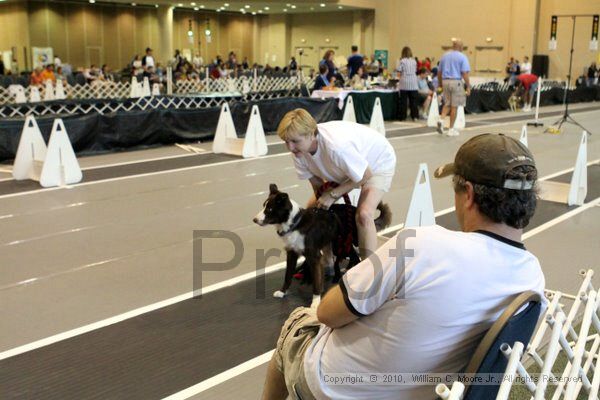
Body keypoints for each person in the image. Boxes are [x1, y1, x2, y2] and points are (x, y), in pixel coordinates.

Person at [262, 133, 545, 400]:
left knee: (298, 321)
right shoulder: (533, 279)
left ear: (468, 194)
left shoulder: (422, 244)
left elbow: (328, 314)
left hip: (335, 388)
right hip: (432, 393)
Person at [275, 108, 396, 260]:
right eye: (286, 141)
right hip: (346, 168)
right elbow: (318, 186)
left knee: (364, 214)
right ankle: (328, 260)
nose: (290, 148)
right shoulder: (299, 152)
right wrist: (322, 208)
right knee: (314, 211)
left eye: (294, 141)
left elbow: (365, 175)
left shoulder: (337, 147)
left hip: (376, 163)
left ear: (311, 134)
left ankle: (368, 269)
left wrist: (333, 195)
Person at [437, 39, 471, 136]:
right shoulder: (462, 57)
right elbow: (464, 73)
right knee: (454, 106)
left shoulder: (445, 56)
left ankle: (441, 119)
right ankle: (451, 129)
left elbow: (439, 72)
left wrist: (440, 84)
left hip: (445, 81)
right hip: (456, 81)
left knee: (447, 103)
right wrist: (468, 86)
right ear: (461, 47)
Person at [396, 46, 419, 121]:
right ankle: (414, 116)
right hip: (413, 83)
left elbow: (399, 70)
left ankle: (403, 117)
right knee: (413, 101)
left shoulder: (402, 61)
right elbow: (415, 70)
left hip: (404, 83)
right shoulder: (414, 61)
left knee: (404, 101)